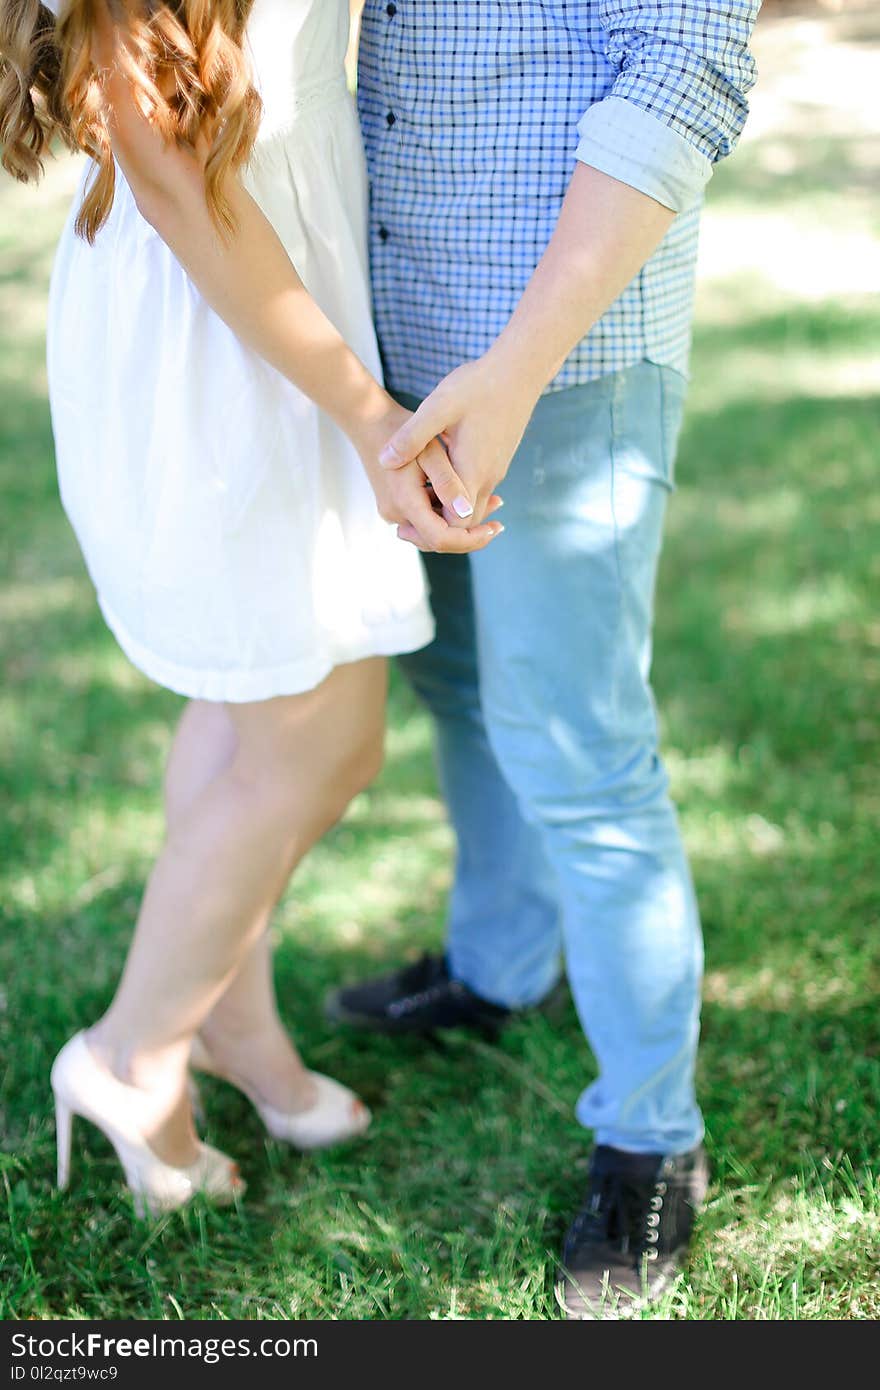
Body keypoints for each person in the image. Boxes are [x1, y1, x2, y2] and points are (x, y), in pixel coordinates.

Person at [0, 0, 503, 1218]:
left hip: (276, 295)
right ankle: (131, 1055)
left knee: (250, 714)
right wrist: (371, 417)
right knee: (323, 739)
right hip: (222, 340)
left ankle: (239, 1030)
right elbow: (175, 184)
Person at [327, 0, 760, 1315]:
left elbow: (687, 66)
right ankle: (501, 961)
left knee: (581, 751)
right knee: (456, 685)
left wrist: (512, 373)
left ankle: (650, 1131)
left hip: (558, 359)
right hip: (399, 324)